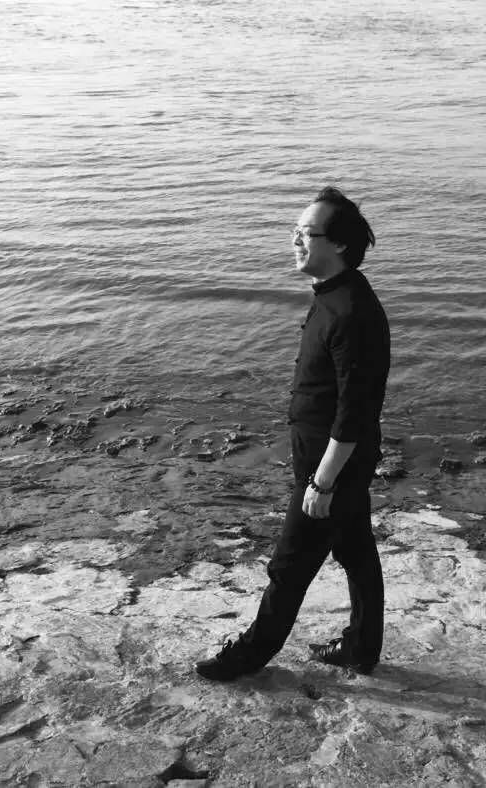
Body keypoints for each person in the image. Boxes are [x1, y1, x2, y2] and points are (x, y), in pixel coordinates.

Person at [196, 186, 390, 681]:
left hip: (331, 468)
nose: (296, 241)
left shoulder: (350, 311)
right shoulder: (334, 296)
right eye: (295, 232)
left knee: (289, 566)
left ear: (339, 244)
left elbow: (356, 411)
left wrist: (322, 482)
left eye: (306, 233)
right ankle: (362, 647)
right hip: (332, 461)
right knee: (355, 551)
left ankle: (248, 656)